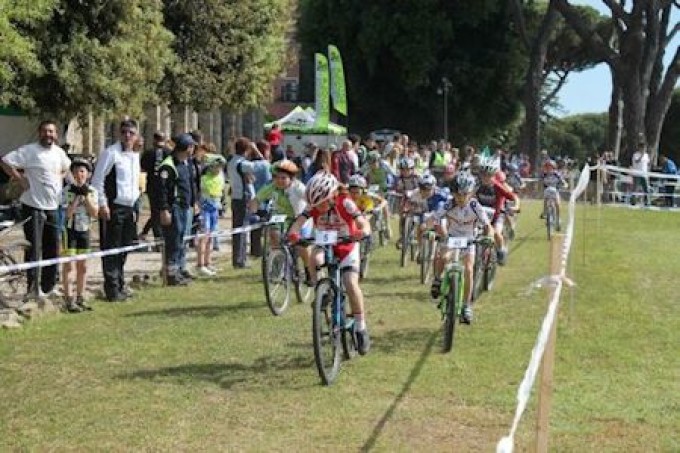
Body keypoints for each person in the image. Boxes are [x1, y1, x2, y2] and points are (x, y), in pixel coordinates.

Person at [287, 171, 372, 354]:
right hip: (326, 245)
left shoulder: (346, 202)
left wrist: (362, 231)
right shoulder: (315, 206)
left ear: (333, 195)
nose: (320, 207)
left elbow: (363, 223)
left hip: (347, 246)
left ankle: (360, 327)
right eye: (316, 204)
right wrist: (294, 234)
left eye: (323, 202)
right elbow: (298, 222)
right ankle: (321, 290)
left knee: (350, 283)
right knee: (314, 258)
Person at [0, 120, 71, 300]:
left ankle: (48, 287)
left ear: (56, 135)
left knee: (52, 248)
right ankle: (33, 288)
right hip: (33, 206)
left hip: (53, 207)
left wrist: (58, 180)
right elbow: (5, 161)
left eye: (52, 132)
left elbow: (66, 167)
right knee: (34, 249)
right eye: (46, 131)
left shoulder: (59, 153)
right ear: (40, 133)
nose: (49, 135)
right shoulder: (30, 151)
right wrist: (19, 178)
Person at [428, 172, 492, 324]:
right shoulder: (449, 204)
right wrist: (427, 228)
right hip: (451, 238)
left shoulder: (475, 206)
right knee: (442, 257)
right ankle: (437, 280)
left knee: (469, 269)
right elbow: (434, 218)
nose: (460, 198)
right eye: (457, 195)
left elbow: (487, 225)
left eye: (464, 195)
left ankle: (466, 305)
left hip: (469, 239)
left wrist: (488, 237)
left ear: (471, 193)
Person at [91, 119, 142, 301]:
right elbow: (97, 181)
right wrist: (102, 204)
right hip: (113, 207)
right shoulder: (110, 153)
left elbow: (135, 183)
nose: (127, 136)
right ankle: (112, 289)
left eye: (131, 132)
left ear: (136, 135)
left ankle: (120, 283)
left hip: (130, 207)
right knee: (112, 248)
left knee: (125, 246)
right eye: (124, 132)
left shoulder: (135, 155)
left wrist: (136, 205)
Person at [157, 133, 198, 285]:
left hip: (185, 207)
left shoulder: (186, 163)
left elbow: (190, 185)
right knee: (174, 241)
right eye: (192, 146)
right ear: (187, 147)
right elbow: (162, 190)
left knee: (182, 240)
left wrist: (194, 202)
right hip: (174, 208)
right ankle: (171, 273)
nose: (193, 149)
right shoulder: (168, 165)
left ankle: (180, 268)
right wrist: (164, 209)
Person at [61, 159, 98, 312]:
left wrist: (86, 196)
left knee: (83, 266)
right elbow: (67, 214)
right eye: (76, 172)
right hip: (69, 230)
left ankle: (80, 297)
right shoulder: (66, 191)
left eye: (82, 172)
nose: (79, 175)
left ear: (87, 175)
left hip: (85, 229)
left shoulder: (92, 191)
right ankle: (68, 299)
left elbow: (94, 212)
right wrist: (76, 198)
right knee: (69, 265)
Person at [476, 157, 521, 265]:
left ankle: (501, 250)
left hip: (497, 214)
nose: (485, 178)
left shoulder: (497, 186)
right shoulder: (477, 185)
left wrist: (516, 206)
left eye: (489, 175)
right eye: (483, 174)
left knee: (496, 233)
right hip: (482, 214)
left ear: (493, 175)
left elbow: (514, 197)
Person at [196, 154, 226, 275]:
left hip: (215, 209)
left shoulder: (220, 177)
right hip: (205, 210)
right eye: (216, 167)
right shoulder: (204, 178)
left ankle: (208, 262)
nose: (219, 169)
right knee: (204, 236)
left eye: (220, 167)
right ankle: (200, 264)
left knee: (211, 236)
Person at [227, 137, 254, 269]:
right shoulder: (243, 163)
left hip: (234, 197)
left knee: (237, 228)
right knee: (242, 229)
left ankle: (238, 257)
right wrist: (256, 151)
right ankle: (240, 259)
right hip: (243, 197)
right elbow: (264, 166)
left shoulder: (231, 161)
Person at [139, 131, 170, 242]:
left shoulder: (148, 153)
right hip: (166, 186)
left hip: (152, 186)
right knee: (164, 211)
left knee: (155, 213)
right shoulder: (169, 152)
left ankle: (156, 236)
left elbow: (142, 169)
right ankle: (159, 236)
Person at [539, 160, 566, 229]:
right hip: (547, 190)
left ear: (553, 167)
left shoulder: (556, 174)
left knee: (557, 203)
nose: (548, 169)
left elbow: (562, 181)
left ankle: (558, 219)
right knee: (545, 199)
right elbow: (540, 181)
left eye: (550, 167)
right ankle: (545, 212)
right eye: (547, 167)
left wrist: (565, 184)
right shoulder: (544, 175)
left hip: (555, 190)